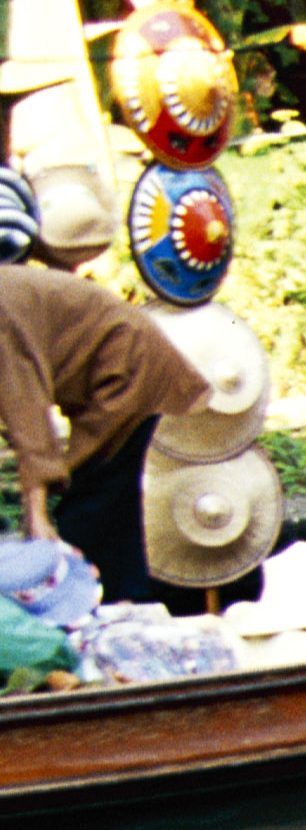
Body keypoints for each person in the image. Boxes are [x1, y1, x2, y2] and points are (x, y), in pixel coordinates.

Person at [0, 167, 208, 605]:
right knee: (103, 507)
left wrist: (36, 518)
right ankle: (127, 604)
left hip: (127, 370)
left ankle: (121, 618)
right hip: (122, 366)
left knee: (86, 514)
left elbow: (27, 416)